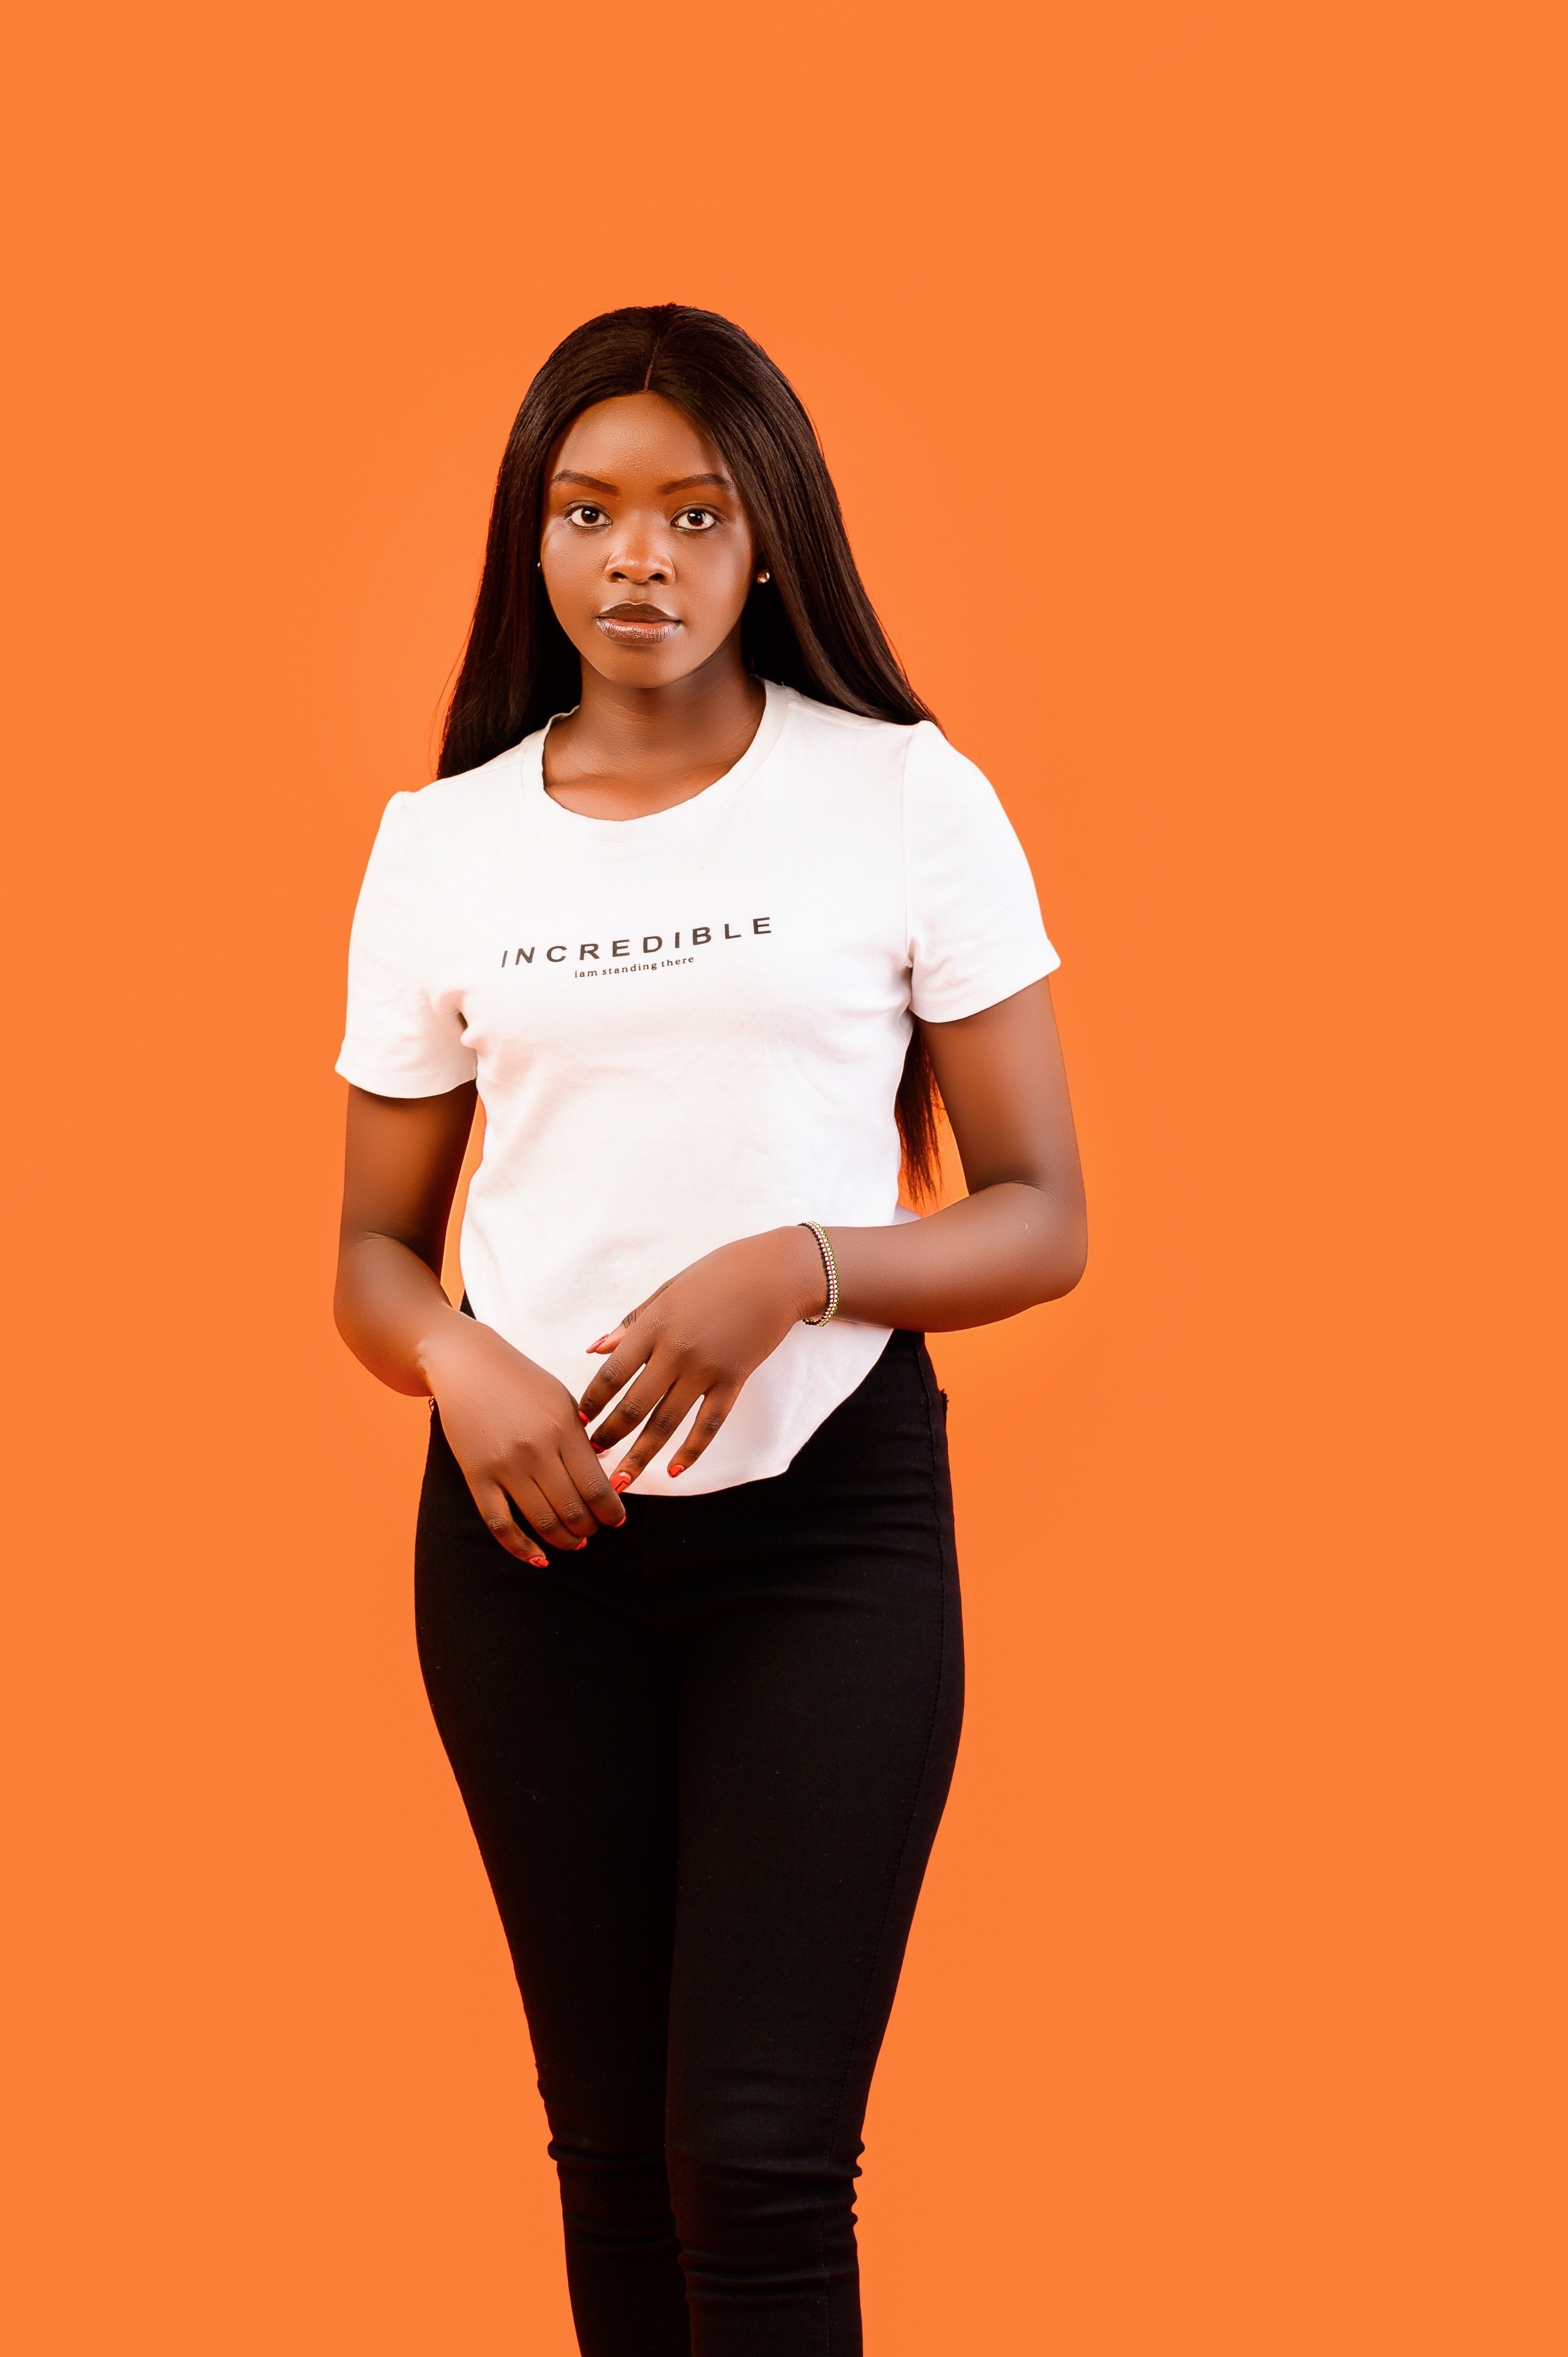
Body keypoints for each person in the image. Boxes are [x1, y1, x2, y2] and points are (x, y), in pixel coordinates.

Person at [333, 303, 1087, 2357]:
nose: (638, 559)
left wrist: (801, 1267)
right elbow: (373, 1256)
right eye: (587, 512)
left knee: (753, 2161)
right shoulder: (442, 844)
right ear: (533, 537)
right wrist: (459, 1359)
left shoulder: (904, 795)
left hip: (823, 1536)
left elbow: (1043, 1215)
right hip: (530, 1551)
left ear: (773, 538)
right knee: (609, 2154)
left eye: (694, 511)